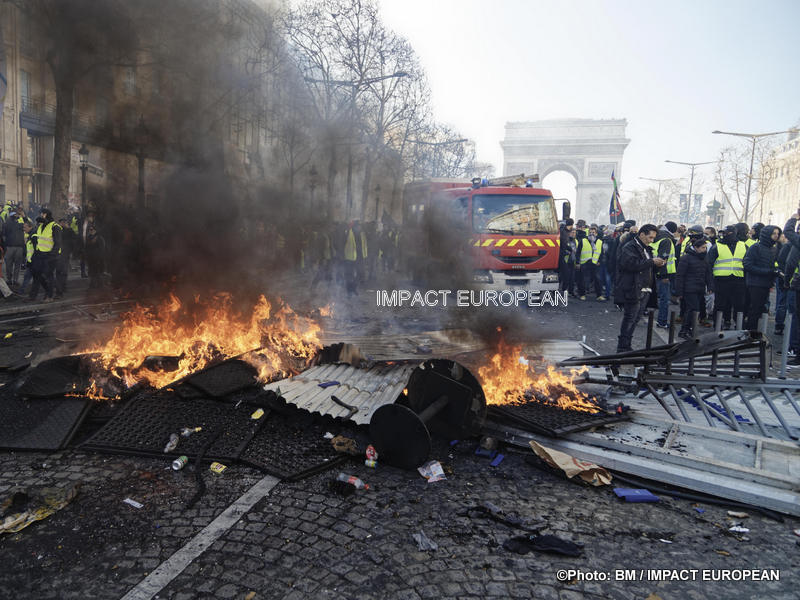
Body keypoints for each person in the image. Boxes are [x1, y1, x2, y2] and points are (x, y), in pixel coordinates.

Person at [615, 224, 665, 353]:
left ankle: (626, 345)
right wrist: (652, 262)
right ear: (642, 234)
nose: (651, 240)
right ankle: (623, 347)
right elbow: (631, 265)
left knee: (635, 319)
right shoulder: (630, 247)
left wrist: (657, 265)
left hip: (645, 289)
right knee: (630, 318)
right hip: (633, 288)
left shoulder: (646, 248)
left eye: (653, 238)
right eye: (650, 237)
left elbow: (648, 267)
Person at [708, 225, 746, 329]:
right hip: (721, 280)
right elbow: (709, 264)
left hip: (739, 279)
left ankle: (738, 326)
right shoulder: (716, 246)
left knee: (739, 305)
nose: (725, 235)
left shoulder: (743, 245)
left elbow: (747, 263)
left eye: (727, 233)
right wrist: (710, 282)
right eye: (724, 233)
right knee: (720, 305)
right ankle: (718, 325)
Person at [742, 225, 780, 330]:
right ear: (767, 234)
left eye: (777, 233)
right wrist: (767, 271)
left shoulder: (773, 249)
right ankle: (750, 331)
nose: (776, 236)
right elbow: (747, 265)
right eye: (774, 233)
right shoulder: (755, 247)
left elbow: (773, 265)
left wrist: (775, 273)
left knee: (759, 309)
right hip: (755, 283)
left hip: (766, 283)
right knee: (754, 308)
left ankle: (752, 330)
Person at [676, 237, 712, 338]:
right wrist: (679, 291)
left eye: (705, 248)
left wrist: (710, 286)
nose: (704, 250)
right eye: (702, 248)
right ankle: (684, 330)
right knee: (693, 309)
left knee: (694, 309)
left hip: (699, 288)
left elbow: (708, 274)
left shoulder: (704, 258)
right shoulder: (686, 258)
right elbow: (680, 275)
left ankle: (690, 329)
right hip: (689, 289)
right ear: (696, 248)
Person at [27, 208, 61, 303]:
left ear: (46, 214)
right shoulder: (41, 226)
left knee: (48, 275)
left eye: (42, 214)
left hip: (50, 256)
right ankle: (43, 293)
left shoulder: (55, 226)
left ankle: (50, 295)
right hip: (40, 254)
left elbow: (58, 243)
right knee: (37, 274)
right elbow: (39, 239)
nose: (40, 215)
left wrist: (52, 255)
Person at [650, 221, 677, 328]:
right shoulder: (666, 240)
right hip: (663, 274)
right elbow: (663, 259)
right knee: (664, 299)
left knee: (650, 295)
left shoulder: (656, 237)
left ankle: (641, 314)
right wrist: (664, 275)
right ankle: (662, 321)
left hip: (652, 271)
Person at [2, 209, 26, 287]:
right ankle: (13, 280)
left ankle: (11, 280)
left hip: (13, 247)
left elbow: (28, 225)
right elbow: (3, 235)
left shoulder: (8, 223)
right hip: (14, 247)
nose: (17, 216)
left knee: (12, 265)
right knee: (15, 265)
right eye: (16, 214)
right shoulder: (10, 223)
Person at [55, 217, 78, 299]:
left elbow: (75, 240)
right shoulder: (58, 230)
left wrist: (72, 252)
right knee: (60, 272)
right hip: (59, 254)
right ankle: (60, 288)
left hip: (66, 253)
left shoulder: (69, 231)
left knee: (64, 271)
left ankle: (63, 287)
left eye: (64, 222)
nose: (62, 224)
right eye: (61, 222)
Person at [558, 218, 574, 294]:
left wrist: (570, 249)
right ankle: (563, 290)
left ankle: (558, 290)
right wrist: (566, 251)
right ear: (571, 225)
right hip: (560, 256)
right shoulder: (563, 232)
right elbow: (562, 244)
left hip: (561, 255)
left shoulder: (564, 231)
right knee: (566, 274)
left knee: (561, 274)